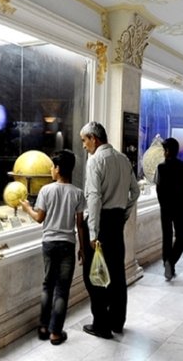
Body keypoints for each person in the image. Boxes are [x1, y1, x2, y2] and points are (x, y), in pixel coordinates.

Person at [78, 122, 140, 339]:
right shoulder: (123, 159)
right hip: (116, 222)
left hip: (101, 221)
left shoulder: (95, 161)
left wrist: (93, 233)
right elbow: (135, 191)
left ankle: (101, 325)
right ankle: (117, 321)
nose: (83, 145)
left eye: (84, 140)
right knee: (117, 273)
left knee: (94, 275)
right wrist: (123, 214)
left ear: (94, 139)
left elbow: (94, 198)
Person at [20, 150, 86, 346]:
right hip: (67, 244)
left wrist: (27, 208)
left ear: (57, 169)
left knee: (48, 285)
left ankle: (43, 327)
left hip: (49, 244)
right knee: (62, 290)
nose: (50, 169)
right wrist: (82, 248)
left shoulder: (46, 191)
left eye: (52, 166)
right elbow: (80, 225)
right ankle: (56, 333)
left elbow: (39, 218)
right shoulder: (78, 193)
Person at [153, 137, 183, 281]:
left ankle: (167, 262)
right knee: (182, 234)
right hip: (179, 205)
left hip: (165, 206)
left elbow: (157, 188)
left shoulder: (160, 167)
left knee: (167, 236)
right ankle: (171, 262)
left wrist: (162, 203)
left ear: (167, 151)